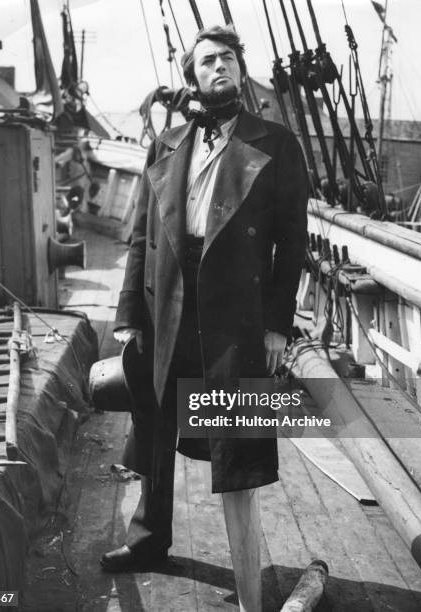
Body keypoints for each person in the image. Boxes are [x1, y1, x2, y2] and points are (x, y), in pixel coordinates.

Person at [101, 25, 308, 611]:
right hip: (166, 305)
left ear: (240, 70)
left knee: (236, 440)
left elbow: (291, 241)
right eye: (207, 61)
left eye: (228, 59)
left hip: (235, 313)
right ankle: (148, 541)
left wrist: (276, 324)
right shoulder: (166, 144)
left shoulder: (276, 143)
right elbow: (141, 235)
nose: (220, 67)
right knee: (156, 422)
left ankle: (247, 583)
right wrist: (128, 317)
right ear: (192, 77)